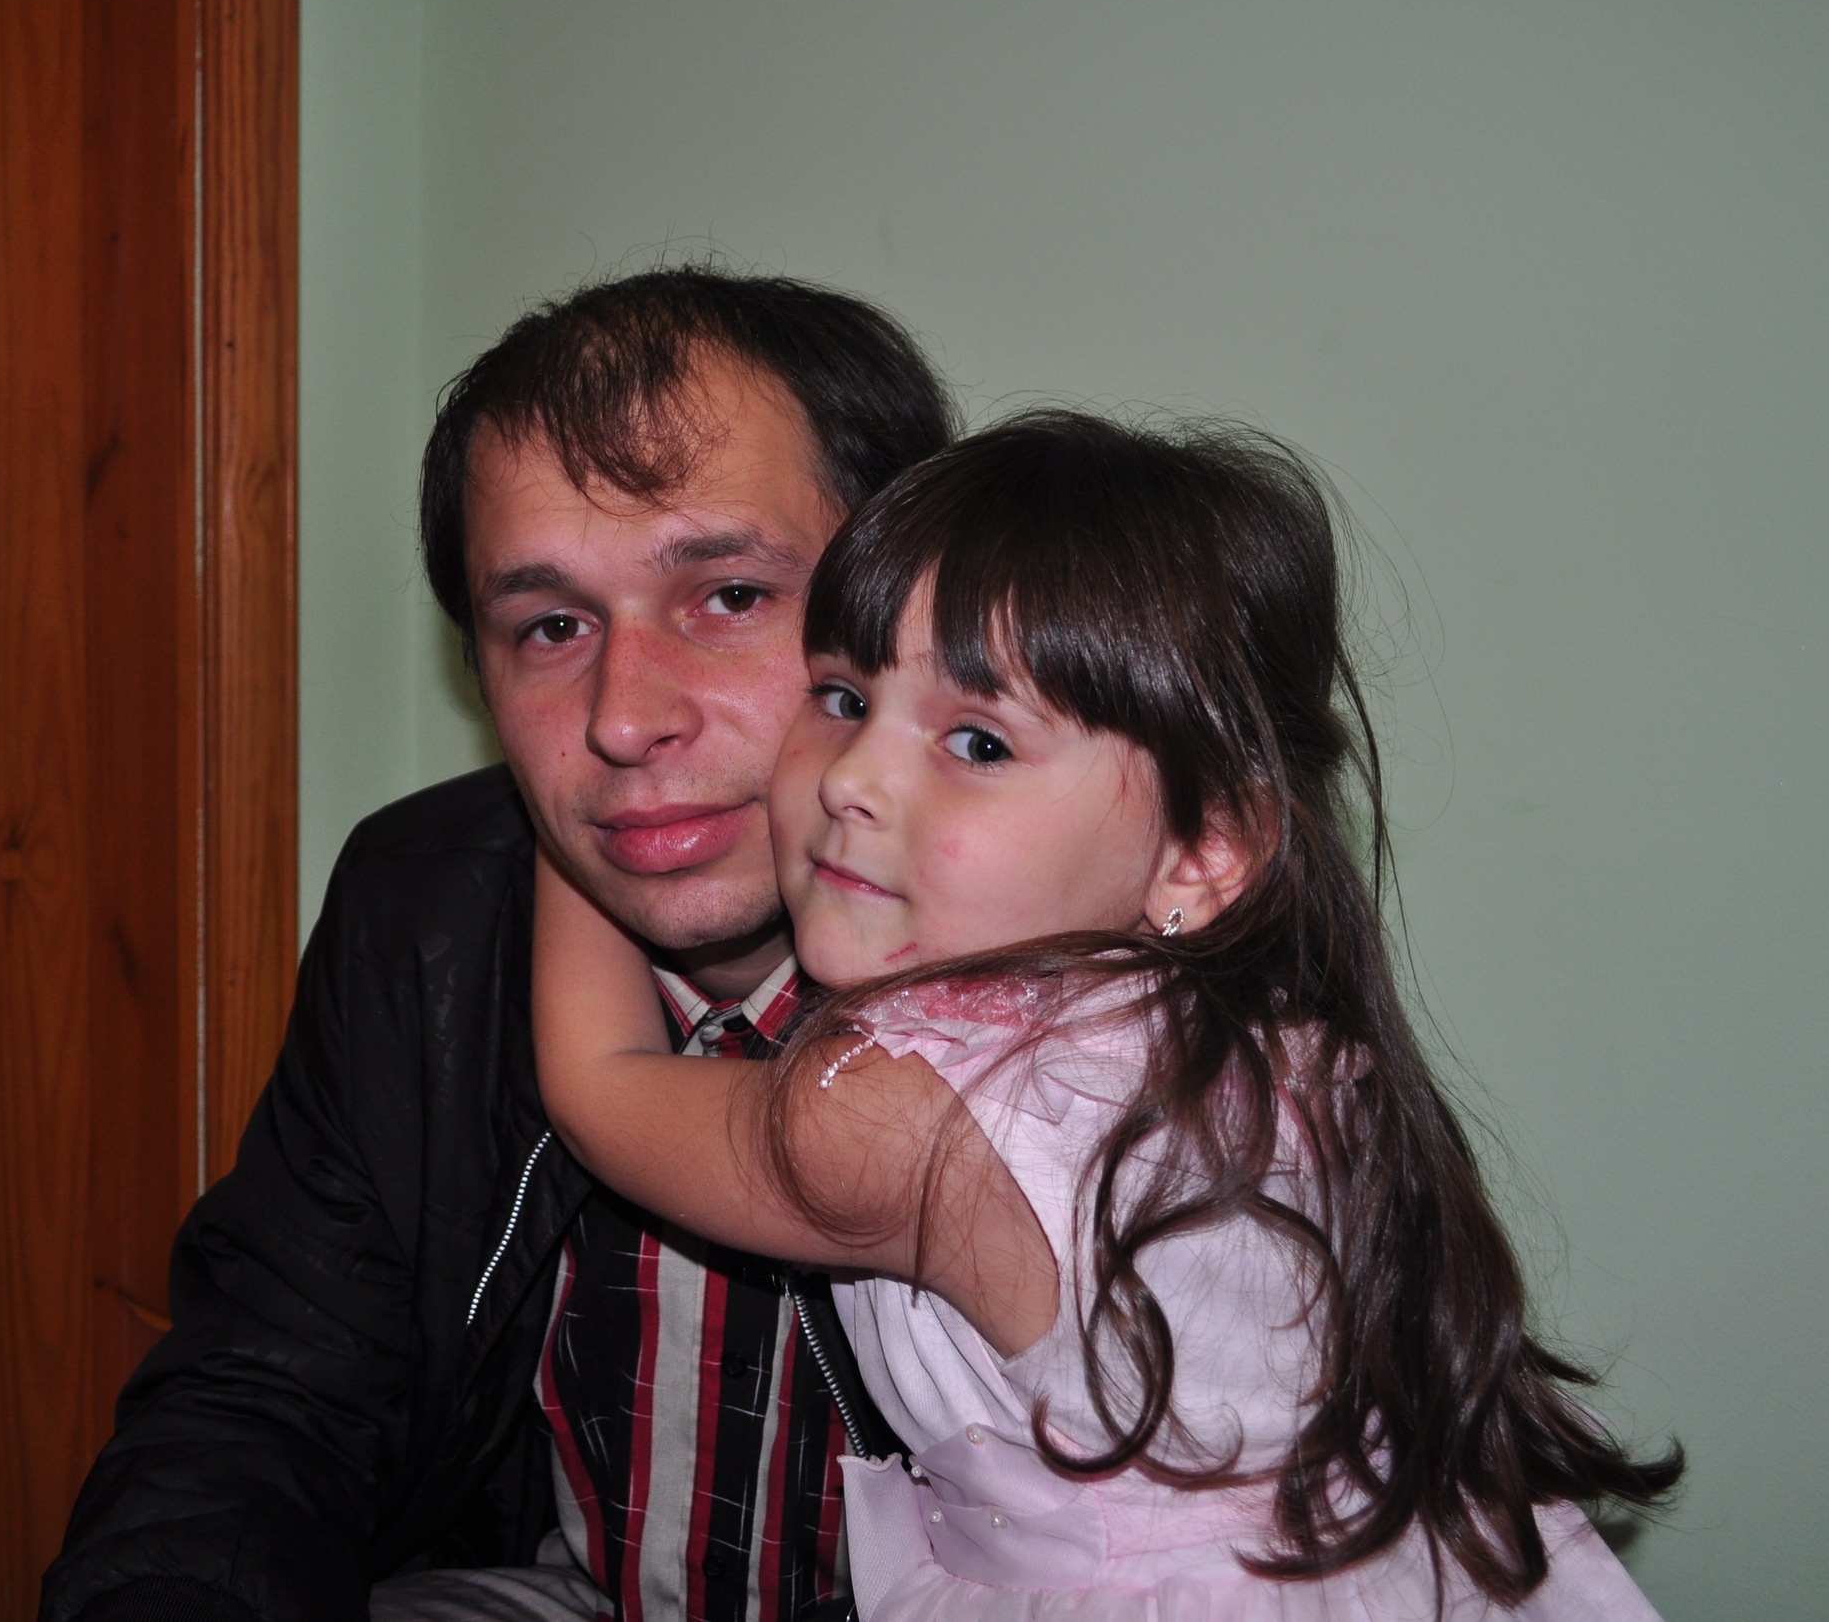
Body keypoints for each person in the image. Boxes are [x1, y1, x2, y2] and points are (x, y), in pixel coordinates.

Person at [532, 412, 1683, 1618]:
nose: (853, 778)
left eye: (977, 741)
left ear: (1202, 852)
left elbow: (600, 1080)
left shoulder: (909, 1122)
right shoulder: (1259, 1039)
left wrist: (600, 788)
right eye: (841, 695)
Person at [40, 269, 957, 1622]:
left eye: (727, 595)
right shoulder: (426, 913)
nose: (623, 718)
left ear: (914, 612)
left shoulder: (1074, 990)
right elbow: (272, 1391)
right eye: (552, 627)